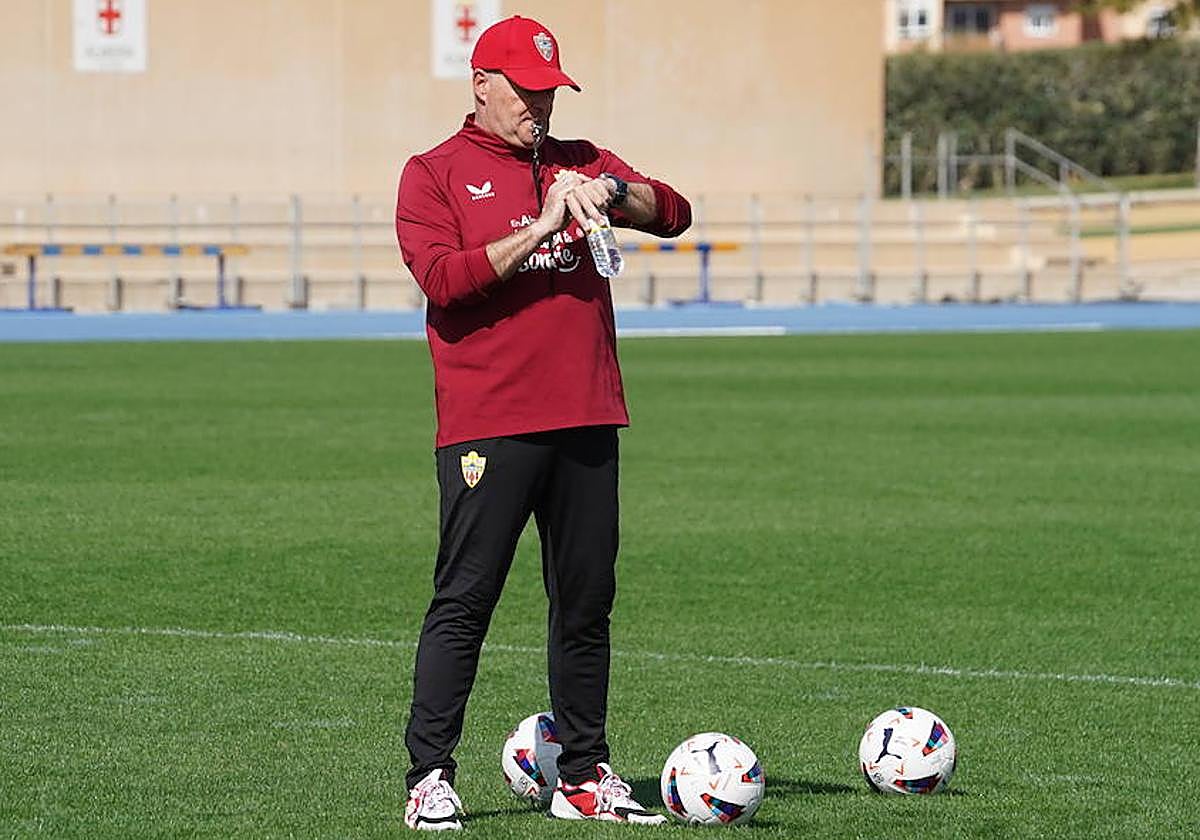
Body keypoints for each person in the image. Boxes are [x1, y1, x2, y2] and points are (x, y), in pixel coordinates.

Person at [394, 13, 691, 831]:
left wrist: (612, 194)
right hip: (490, 425)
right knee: (465, 600)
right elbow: (445, 280)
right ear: (482, 85)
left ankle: (586, 777)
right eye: (526, 92)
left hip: (589, 415)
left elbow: (675, 211)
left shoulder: (579, 159)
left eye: (550, 92)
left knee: (586, 602)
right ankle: (429, 776)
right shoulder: (434, 174)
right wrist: (542, 228)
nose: (540, 107)